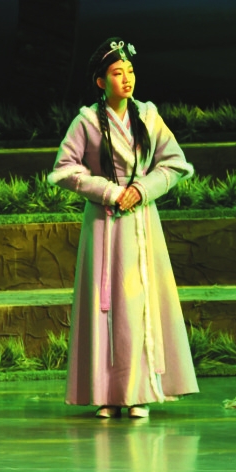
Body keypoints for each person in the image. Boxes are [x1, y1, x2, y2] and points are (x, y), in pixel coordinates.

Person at [48, 37, 199, 419]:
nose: (127, 79)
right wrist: (110, 192)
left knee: (138, 304)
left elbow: (175, 164)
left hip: (141, 224)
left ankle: (138, 392)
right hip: (104, 223)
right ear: (101, 82)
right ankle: (106, 393)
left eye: (130, 71)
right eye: (118, 73)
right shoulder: (86, 122)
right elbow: (64, 170)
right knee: (105, 306)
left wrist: (142, 189)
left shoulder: (147, 116)